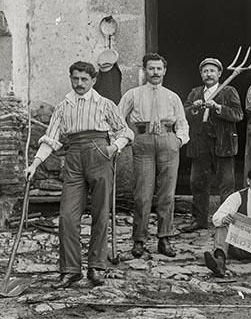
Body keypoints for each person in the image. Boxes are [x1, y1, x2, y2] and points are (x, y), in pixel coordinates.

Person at [23, 61, 134, 288]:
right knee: (67, 216)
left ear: (93, 81)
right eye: (75, 79)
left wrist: (115, 147)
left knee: (100, 214)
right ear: (70, 78)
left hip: (100, 155)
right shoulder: (64, 106)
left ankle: (96, 267)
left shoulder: (105, 104)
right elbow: (51, 138)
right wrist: (34, 165)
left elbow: (125, 131)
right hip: (74, 157)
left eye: (84, 79)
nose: (79, 83)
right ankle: (71, 270)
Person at [118, 53, 189, 258]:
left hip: (168, 141)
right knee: (142, 194)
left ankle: (164, 238)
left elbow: (182, 123)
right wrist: (129, 135)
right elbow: (117, 116)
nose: (155, 72)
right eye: (151, 68)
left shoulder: (172, 96)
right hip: (143, 142)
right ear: (145, 70)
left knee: (167, 193)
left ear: (164, 71)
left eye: (159, 68)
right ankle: (139, 240)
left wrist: (179, 140)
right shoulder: (133, 94)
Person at [183, 57, 243, 232]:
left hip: (223, 143)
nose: (209, 74)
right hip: (200, 143)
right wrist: (194, 108)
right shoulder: (195, 93)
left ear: (219, 74)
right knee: (198, 182)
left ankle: (225, 221)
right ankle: (199, 220)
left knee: (226, 184)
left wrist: (218, 107)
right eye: (205, 71)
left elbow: (238, 115)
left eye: (212, 71)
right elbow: (184, 114)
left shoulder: (229, 91)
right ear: (201, 74)